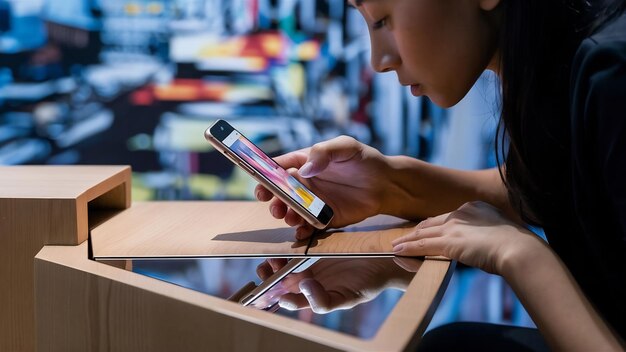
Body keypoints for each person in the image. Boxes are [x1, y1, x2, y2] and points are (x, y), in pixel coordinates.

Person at [255, 0, 626, 350]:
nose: (379, 60)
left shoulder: (614, 72)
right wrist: (389, 186)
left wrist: (519, 254)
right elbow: (556, 190)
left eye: (383, 19)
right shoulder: (564, 62)